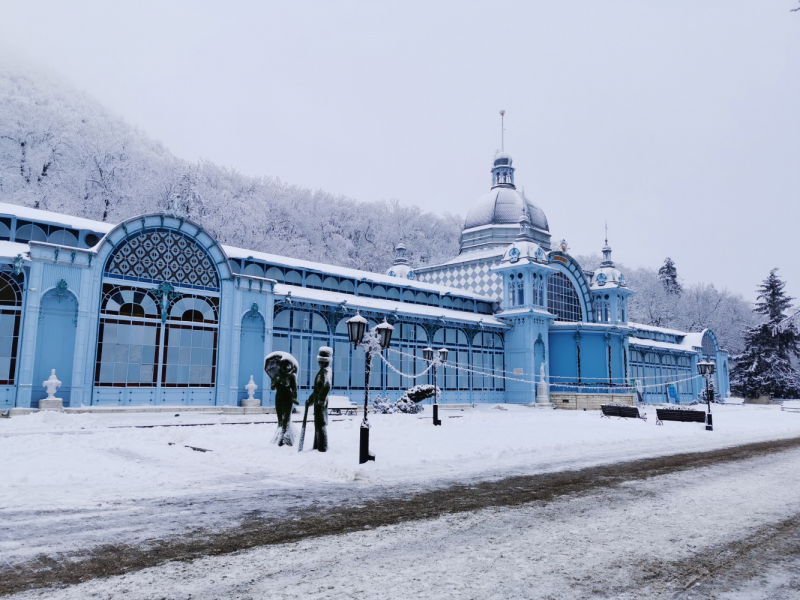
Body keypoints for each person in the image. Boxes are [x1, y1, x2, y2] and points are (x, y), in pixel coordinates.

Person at [265, 351, 299, 446]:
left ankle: (287, 439)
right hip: (278, 398)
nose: (285, 367)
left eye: (287, 365)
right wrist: (275, 382)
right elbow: (272, 388)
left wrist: (294, 398)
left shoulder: (292, 376)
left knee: (286, 420)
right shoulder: (277, 375)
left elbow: (294, 389)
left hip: (288, 399)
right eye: (283, 365)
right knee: (280, 420)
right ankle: (279, 438)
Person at [305, 346, 333, 452]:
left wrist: (320, 399)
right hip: (318, 402)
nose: (321, 363)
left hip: (320, 404)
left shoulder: (325, 372)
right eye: (320, 361)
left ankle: (322, 447)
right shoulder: (323, 371)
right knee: (318, 424)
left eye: (322, 361)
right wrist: (310, 400)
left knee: (320, 424)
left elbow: (326, 385)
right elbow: (317, 389)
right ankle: (317, 445)